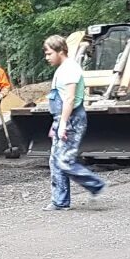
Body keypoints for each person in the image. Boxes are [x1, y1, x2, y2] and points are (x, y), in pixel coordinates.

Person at [42, 34, 106, 210]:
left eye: (49, 53)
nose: (47, 57)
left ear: (60, 51)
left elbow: (69, 99)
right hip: (62, 119)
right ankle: (60, 202)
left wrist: (62, 124)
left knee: (64, 160)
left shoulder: (70, 69)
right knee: (55, 160)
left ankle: (95, 184)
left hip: (72, 120)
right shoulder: (62, 69)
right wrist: (56, 123)